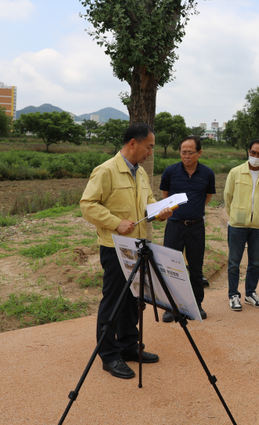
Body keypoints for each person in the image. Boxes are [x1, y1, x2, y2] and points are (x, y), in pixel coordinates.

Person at [80, 123, 173, 380]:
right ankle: (109, 356)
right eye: (149, 146)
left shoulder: (141, 173)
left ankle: (129, 346)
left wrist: (159, 211)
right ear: (134, 143)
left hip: (140, 246)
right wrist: (114, 222)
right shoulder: (107, 170)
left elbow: (148, 202)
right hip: (115, 248)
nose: (151, 152)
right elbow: (87, 205)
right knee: (114, 302)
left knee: (135, 301)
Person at [159, 135, 216, 323]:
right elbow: (165, 196)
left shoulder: (207, 174)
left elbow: (207, 197)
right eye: (183, 152)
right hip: (174, 226)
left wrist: (194, 212)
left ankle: (196, 305)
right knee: (170, 268)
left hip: (196, 227)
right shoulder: (170, 172)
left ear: (199, 153)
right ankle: (171, 306)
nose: (186, 156)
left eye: (190, 152)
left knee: (196, 267)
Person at [224, 139, 259, 311]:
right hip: (237, 224)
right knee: (234, 262)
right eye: (253, 152)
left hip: (258, 226)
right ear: (248, 152)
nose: (256, 156)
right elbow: (228, 196)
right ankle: (233, 295)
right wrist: (236, 215)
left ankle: (250, 293)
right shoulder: (235, 172)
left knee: (255, 262)